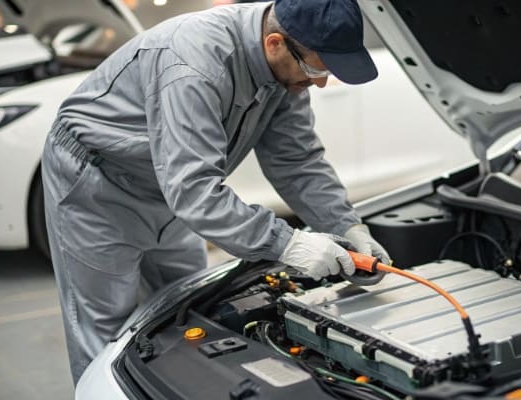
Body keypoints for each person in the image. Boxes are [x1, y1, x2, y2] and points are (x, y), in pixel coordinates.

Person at [41, 0, 389, 384]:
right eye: (315, 69)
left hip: (169, 187)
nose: (320, 83)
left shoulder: (284, 69)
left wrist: (349, 227)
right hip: (98, 187)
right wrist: (289, 245)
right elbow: (193, 191)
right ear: (274, 43)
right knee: (105, 331)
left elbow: (297, 161)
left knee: (183, 309)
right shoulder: (193, 65)